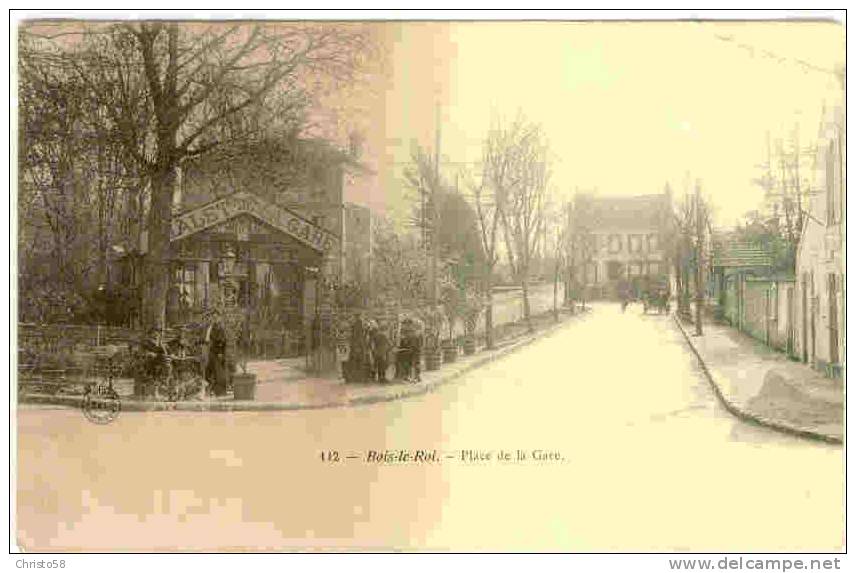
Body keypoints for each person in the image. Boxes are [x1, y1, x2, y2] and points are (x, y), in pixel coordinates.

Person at [204, 311, 230, 396]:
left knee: (219, 372)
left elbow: (222, 341)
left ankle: (220, 392)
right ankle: (211, 390)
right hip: (211, 351)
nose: (214, 319)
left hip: (218, 352)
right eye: (213, 317)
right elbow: (207, 340)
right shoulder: (211, 327)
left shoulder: (220, 328)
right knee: (209, 371)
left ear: (219, 318)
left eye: (216, 317)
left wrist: (220, 353)